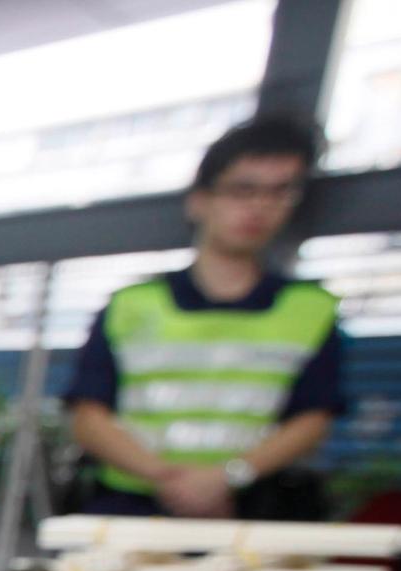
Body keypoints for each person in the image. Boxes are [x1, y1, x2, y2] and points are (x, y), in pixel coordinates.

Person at [65, 116, 348, 518]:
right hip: (132, 507)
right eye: (243, 189)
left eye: (280, 191)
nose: (258, 207)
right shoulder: (132, 305)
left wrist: (225, 477)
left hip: (252, 508)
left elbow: (312, 418)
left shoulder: (310, 309)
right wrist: (169, 479)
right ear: (199, 199)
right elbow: (88, 415)